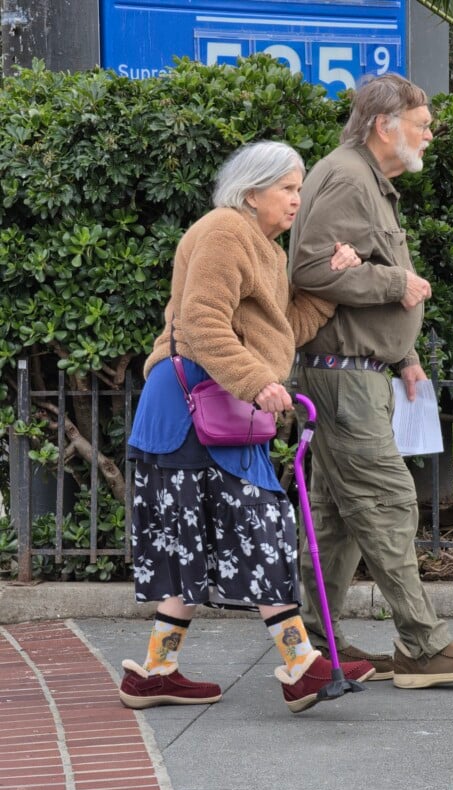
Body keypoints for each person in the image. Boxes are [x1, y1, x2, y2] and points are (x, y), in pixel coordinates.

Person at [118, 140, 374, 715]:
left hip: (218, 407)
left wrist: (329, 285)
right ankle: (302, 663)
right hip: (194, 406)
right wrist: (257, 382)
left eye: (298, 187)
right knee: (261, 527)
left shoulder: (264, 249)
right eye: (288, 187)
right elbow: (201, 322)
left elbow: (284, 328)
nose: (296, 198)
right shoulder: (222, 231)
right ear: (251, 191)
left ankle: (157, 672)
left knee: (207, 539)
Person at [289, 73, 453, 688]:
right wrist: (393, 284)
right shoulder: (346, 177)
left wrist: (403, 356)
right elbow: (309, 267)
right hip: (341, 380)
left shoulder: (365, 180)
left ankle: (313, 645)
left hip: (354, 373)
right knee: (387, 501)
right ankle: (422, 644)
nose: (430, 135)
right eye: (423, 124)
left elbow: (353, 274)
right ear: (386, 125)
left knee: (336, 518)